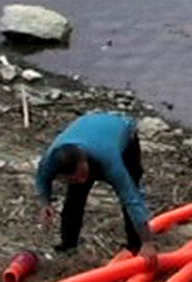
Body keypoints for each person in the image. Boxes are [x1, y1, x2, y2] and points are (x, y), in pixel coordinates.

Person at [35, 111, 157, 266]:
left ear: (84, 161)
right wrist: (45, 203)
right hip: (88, 134)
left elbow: (131, 199)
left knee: (129, 193)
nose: (82, 180)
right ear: (63, 174)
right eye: (76, 178)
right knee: (74, 199)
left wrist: (148, 242)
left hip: (122, 135)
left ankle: (136, 246)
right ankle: (68, 244)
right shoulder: (50, 160)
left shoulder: (109, 160)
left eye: (83, 175)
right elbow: (41, 178)